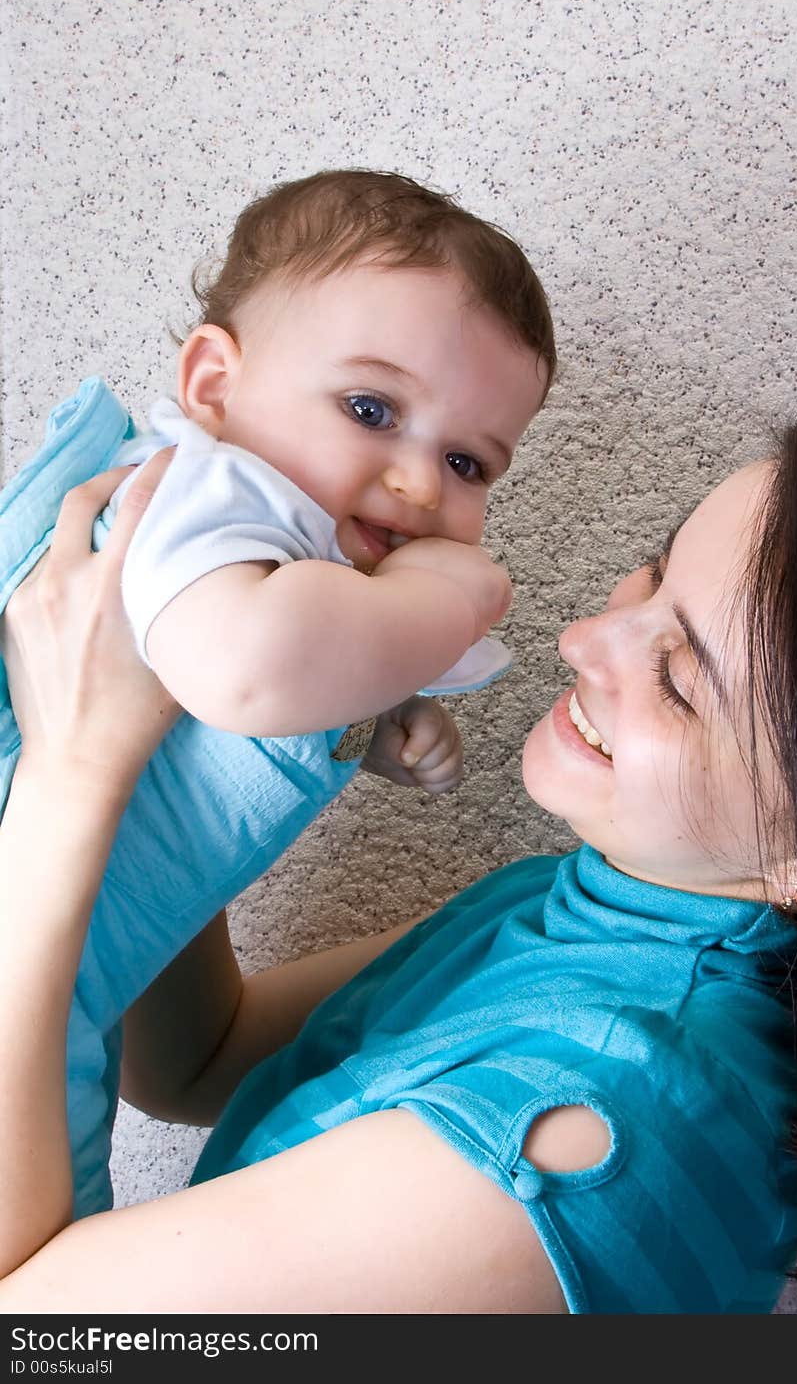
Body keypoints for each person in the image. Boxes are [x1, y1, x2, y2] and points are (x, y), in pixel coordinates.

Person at [4, 411, 797, 1314]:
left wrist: (71, 766)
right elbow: (197, 1060)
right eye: (655, 571)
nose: (583, 638)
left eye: (679, 683)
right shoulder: (583, 898)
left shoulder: (586, 1133)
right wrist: (191, 709)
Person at [0, 170, 555, 1218]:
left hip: (53, 983)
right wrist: (443, 598)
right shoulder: (206, 486)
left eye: (470, 462)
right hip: (27, 965)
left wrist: (369, 711)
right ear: (213, 384)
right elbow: (243, 668)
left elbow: (251, 674)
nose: (419, 484)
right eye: (370, 407)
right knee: (47, 1292)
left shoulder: (276, 550)